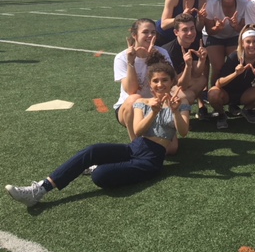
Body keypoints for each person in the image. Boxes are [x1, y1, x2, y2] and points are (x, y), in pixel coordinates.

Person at [5, 62, 190, 207]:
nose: (160, 84)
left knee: (100, 175)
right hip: (135, 147)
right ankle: (39, 190)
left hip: (151, 160)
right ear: (150, 84)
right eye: (156, 81)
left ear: (172, 82)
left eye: (165, 80)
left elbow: (183, 132)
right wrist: (155, 112)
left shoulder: (180, 103)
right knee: (93, 150)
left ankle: (95, 168)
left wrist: (174, 111)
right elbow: (139, 130)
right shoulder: (142, 102)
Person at [113, 19, 173, 142]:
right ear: (135, 35)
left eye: (153, 32)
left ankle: (151, 133)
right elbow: (131, 90)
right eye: (145, 32)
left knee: (171, 150)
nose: (150, 35)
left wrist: (154, 58)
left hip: (155, 103)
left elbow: (172, 81)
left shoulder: (161, 52)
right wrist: (131, 62)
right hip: (129, 108)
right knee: (135, 98)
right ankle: (135, 144)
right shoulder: (122, 57)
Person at [208, 25, 255, 129]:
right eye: (248, 42)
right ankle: (221, 114)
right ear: (242, 43)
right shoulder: (234, 57)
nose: (251, 45)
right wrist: (236, 73)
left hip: (244, 94)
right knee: (213, 94)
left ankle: (246, 110)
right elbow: (218, 83)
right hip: (226, 94)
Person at [160, 13, 209, 116]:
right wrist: (188, 66)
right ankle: (172, 113)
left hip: (179, 82)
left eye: (192, 28)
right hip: (165, 88)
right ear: (176, 32)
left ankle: (182, 108)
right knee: (189, 95)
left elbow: (196, 73)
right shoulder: (169, 51)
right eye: (185, 30)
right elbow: (180, 85)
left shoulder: (196, 43)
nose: (190, 33)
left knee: (202, 80)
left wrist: (202, 60)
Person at [203, 0, 249, 84]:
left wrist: (235, 26)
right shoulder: (211, 4)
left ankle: (231, 91)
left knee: (232, 64)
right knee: (218, 66)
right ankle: (214, 90)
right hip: (215, 37)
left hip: (234, 35)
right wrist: (217, 28)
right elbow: (209, 30)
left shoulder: (245, 3)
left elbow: (244, 29)